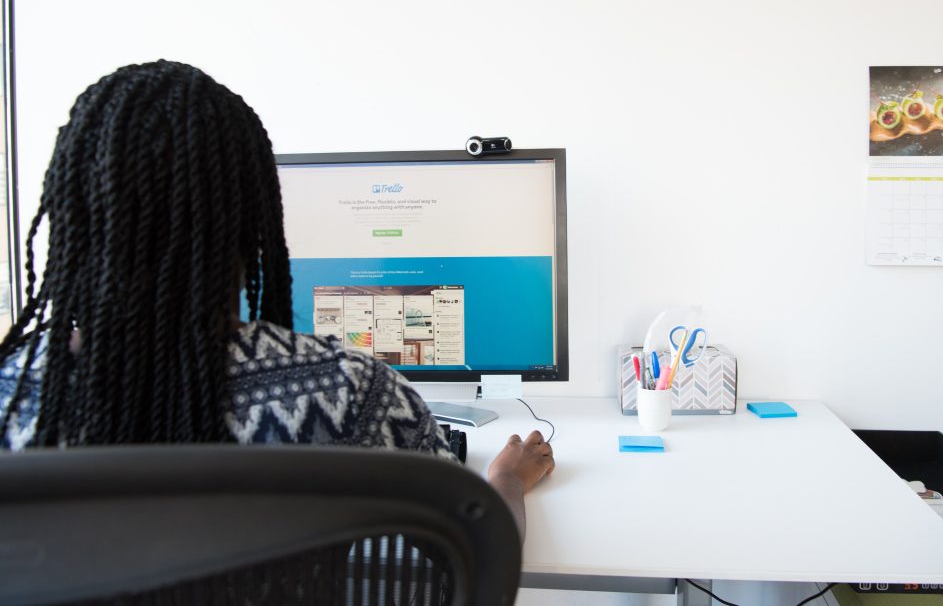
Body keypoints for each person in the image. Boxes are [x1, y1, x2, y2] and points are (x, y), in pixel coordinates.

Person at [0, 60, 553, 537]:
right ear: (250, 223)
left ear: (72, 217)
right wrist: (505, 479)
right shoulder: (354, 395)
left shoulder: (13, 398)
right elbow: (472, 545)